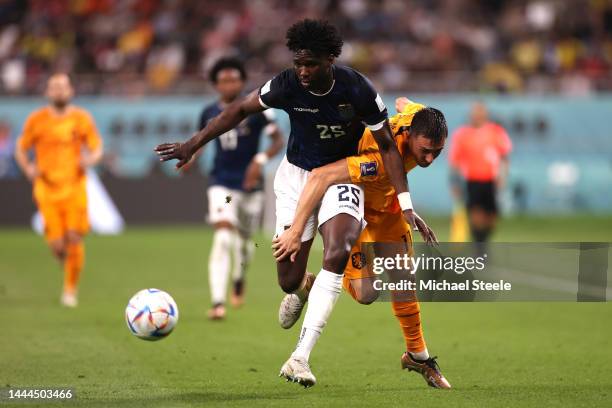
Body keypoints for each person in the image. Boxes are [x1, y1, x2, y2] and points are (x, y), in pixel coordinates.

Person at [155, 19, 436, 382]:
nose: (303, 71)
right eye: (298, 62)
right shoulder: (287, 84)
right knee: (286, 280)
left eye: (311, 64)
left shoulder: (358, 89)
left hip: (340, 176)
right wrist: (193, 144)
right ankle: (304, 285)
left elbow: (387, 147)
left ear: (330, 59)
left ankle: (300, 357)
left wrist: (406, 203)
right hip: (296, 178)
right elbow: (240, 109)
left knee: (338, 250)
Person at [273, 98, 450, 388]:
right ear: (410, 137)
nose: (430, 159)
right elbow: (324, 175)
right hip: (360, 213)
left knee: (404, 279)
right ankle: (309, 285)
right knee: (366, 294)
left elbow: (403, 102)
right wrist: (296, 229)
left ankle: (418, 356)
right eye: (425, 151)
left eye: (437, 152)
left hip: (390, 209)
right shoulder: (375, 156)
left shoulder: (419, 118)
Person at [198, 57, 284, 320]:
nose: (229, 84)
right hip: (222, 183)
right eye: (223, 80)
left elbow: (278, 140)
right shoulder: (208, 112)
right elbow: (201, 139)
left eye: (234, 79)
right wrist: (189, 157)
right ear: (215, 85)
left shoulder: (257, 108)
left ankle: (239, 277)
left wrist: (259, 160)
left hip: (250, 185)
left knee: (245, 242)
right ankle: (217, 302)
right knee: (223, 238)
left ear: (242, 82)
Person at [14, 73, 103, 307]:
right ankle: (64, 258)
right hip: (47, 188)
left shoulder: (81, 119)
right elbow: (21, 149)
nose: (59, 91)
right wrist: (28, 168)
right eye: (54, 87)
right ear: (47, 92)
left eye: (63, 87)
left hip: (75, 186)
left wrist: (90, 160)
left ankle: (70, 290)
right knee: (57, 246)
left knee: (74, 237)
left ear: (71, 91)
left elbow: (96, 147)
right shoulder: (37, 120)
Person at [448, 102, 512, 251]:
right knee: (476, 214)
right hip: (472, 180)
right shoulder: (462, 134)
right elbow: (455, 162)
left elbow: (504, 157)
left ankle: (483, 240)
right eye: (474, 112)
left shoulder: (496, 132)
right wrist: (454, 183)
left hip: (491, 180)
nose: (477, 115)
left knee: (492, 216)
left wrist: (503, 176)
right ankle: (479, 246)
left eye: (480, 112)